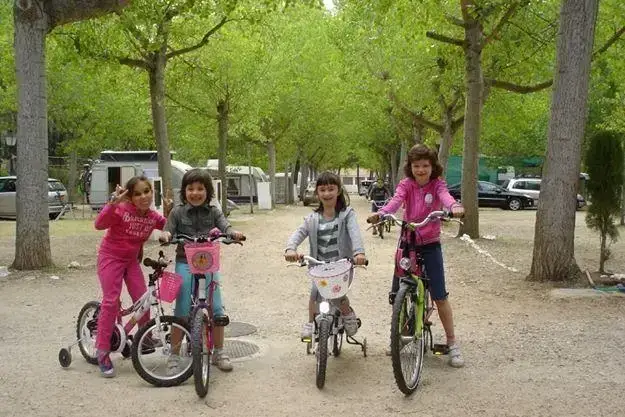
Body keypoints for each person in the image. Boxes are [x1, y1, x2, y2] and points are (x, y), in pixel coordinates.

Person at [367, 144, 465, 368]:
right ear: (410, 167)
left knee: (439, 295)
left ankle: (452, 343)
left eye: (425, 166)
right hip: (408, 243)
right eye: (416, 166)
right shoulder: (406, 184)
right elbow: (395, 201)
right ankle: (400, 336)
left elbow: (446, 197)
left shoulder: (437, 184)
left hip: (430, 245)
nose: (421, 170)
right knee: (398, 293)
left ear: (432, 167)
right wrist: (382, 213)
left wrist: (454, 206)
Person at [160, 168, 244, 373]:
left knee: (217, 309)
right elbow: (168, 230)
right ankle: (174, 354)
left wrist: (233, 233)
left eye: (200, 189)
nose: (195, 193)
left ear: (208, 191)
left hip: (208, 263)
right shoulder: (177, 212)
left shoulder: (214, 211)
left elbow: (225, 226)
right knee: (181, 309)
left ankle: (219, 352)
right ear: (184, 191)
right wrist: (166, 236)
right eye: (190, 189)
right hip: (185, 262)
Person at [94, 176, 167, 377]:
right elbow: (99, 225)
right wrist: (112, 204)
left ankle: (145, 338)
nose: (143, 197)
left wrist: (169, 214)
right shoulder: (121, 209)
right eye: (137, 194)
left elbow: (169, 225)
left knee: (144, 298)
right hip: (110, 258)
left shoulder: (152, 216)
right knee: (111, 301)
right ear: (130, 197)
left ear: (152, 192)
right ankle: (102, 350)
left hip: (131, 261)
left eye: (147, 191)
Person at [284, 171, 367, 340]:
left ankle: (347, 313)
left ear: (338, 191)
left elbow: (355, 233)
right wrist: (290, 249)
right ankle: (310, 322)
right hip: (319, 267)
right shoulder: (312, 218)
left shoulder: (347, 215)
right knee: (315, 293)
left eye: (331, 189)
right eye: (322, 190)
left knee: (337, 294)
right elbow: (299, 233)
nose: (327, 193)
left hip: (342, 266)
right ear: (317, 193)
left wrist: (359, 253)